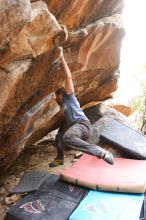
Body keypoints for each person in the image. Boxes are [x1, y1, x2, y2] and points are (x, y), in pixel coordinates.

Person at [49, 47, 114, 167]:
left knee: (67, 137)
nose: (55, 98)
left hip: (83, 125)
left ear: (61, 94)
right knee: (59, 136)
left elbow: (68, 77)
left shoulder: (69, 97)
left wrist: (62, 57)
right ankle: (59, 159)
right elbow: (54, 98)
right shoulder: (63, 104)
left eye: (57, 96)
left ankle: (102, 153)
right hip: (76, 128)